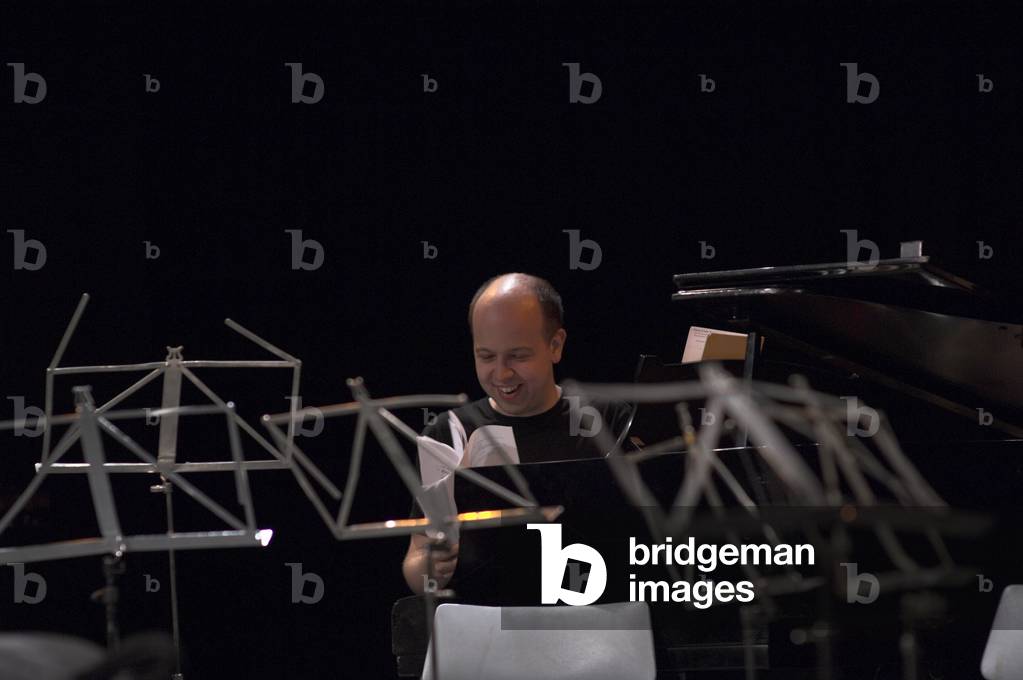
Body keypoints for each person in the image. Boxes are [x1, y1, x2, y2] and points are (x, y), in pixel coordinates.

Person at [401, 273, 632, 595]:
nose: (501, 373)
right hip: (490, 619)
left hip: (596, 609)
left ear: (555, 345)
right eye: (486, 356)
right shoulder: (449, 431)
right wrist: (429, 566)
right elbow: (417, 557)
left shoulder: (610, 420)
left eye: (518, 356)